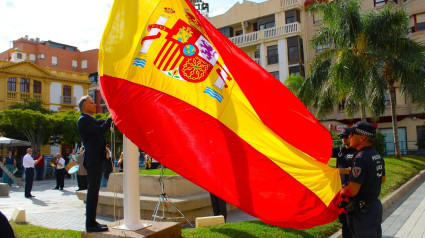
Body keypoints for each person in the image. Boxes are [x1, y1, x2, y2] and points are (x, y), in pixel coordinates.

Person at [340, 121, 386, 238]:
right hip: (374, 207)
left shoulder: (360, 158)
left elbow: (352, 191)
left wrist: (339, 191)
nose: (349, 136)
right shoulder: (376, 155)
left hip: (363, 213)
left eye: (352, 134)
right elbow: (382, 179)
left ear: (362, 137)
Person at [77, 95, 112, 232]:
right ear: (84, 106)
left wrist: (111, 117)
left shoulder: (89, 119)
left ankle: (92, 222)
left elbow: (100, 123)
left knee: (94, 191)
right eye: (91, 103)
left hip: (96, 159)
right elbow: (101, 129)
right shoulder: (84, 120)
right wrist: (110, 118)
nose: (94, 105)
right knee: (92, 191)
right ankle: (90, 224)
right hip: (93, 160)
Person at [332, 127, 357, 238]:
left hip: (353, 189)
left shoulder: (357, 151)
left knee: (353, 219)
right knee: (344, 220)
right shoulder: (340, 151)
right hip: (341, 191)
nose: (344, 139)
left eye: (346, 137)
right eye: (342, 137)